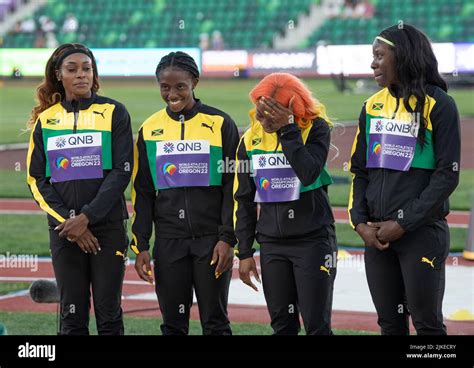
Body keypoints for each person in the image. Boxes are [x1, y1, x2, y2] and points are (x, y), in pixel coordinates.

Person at [349, 24, 461, 335]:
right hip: (378, 237)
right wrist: (360, 223)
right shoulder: (371, 106)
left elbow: (447, 176)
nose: (373, 63)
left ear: (404, 57)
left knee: (426, 325)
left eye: (379, 56)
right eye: (373, 56)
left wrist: (403, 222)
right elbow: (359, 169)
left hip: (420, 234)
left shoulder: (439, 105)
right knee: (389, 324)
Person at [26, 43, 133, 335]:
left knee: (108, 314)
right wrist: (69, 222)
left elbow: (121, 171)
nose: (81, 75)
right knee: (72, 316)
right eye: (72, 69)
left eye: (87, 68)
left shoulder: (114, 112)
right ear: (59, 74)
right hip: (64, 232)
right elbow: (37, 180)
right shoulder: (46, 121)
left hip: (106, 229)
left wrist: (85, 219)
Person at [131, 51, 239, 335]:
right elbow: (143, 192)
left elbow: (233, 186)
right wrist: (141, 244)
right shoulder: (149, 129)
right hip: (169, 243)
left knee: (215, 323)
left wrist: (227, 237)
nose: (172, 93)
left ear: (195, 82)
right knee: (173, 325)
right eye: (165, 87)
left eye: (180, 86)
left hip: (211, 242)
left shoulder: (220, 124)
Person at [234, 73, 337, 335]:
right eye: (261, 108)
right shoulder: (249, 139)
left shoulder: (316, 128)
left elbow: (308, 171)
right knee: (282, 326)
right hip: (272, 245)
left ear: (292, 108)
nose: (263, 118)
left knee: (317, 326)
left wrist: (288, 129)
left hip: (312, 242)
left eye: (272, 111)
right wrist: (245, 252)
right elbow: (244, 199)